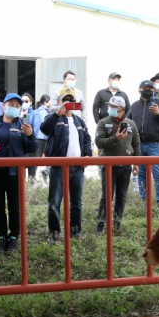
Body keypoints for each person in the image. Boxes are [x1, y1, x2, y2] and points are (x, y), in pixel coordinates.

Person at [0, 93, 37, 251]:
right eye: (11, 104)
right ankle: (2, 237)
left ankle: (14, 237)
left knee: (14, 207)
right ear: (3, 106)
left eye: (17, 106)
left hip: (14, 173)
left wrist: (30, 135)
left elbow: (32, 148)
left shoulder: (23, 125)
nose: (14, 108)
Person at [41, 88, 93, 240]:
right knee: (55, 202)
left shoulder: (79, 121)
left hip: (77, 169)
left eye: (71, 100)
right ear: (59, 102)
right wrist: (58, 114)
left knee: (76, 202)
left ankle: (75, 232)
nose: (68, 103)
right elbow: (43, 129)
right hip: (58, 168)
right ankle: (54, 233)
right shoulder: (54, 119)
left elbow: (87, 139)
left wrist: (87, 156)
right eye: (65, 100)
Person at [94, 96, 140, 234]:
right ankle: (101, 225)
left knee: (122, 196)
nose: (111, 109)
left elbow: (136, 144)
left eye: (114, 107)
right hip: (109, 166)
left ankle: (117, 223)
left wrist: (136, 162)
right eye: (110, 106)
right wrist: (116, 138)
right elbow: (99, 142)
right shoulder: (103, 122)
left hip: (125, 167)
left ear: (122, 109)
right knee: (107, 196)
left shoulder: (131, 124)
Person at [127, 79, 159, 211]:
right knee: (141, 173)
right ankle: (145, 201)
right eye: (145, 89)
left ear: (153, 90)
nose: (147, 91)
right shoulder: (134, 106)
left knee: (158, 173)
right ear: (139, 91)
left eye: (150, 89)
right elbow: (128, 122)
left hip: (156, 144)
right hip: (139, 144)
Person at [31, 94, 52, 182]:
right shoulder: (43, 111)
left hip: (41, 137)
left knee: (42, 157)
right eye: (49, 101)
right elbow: (44, 124)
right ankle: (33, 177)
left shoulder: (39, 110)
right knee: (38, 157)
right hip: (42, 137)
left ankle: (45, 172)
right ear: (46, 102)